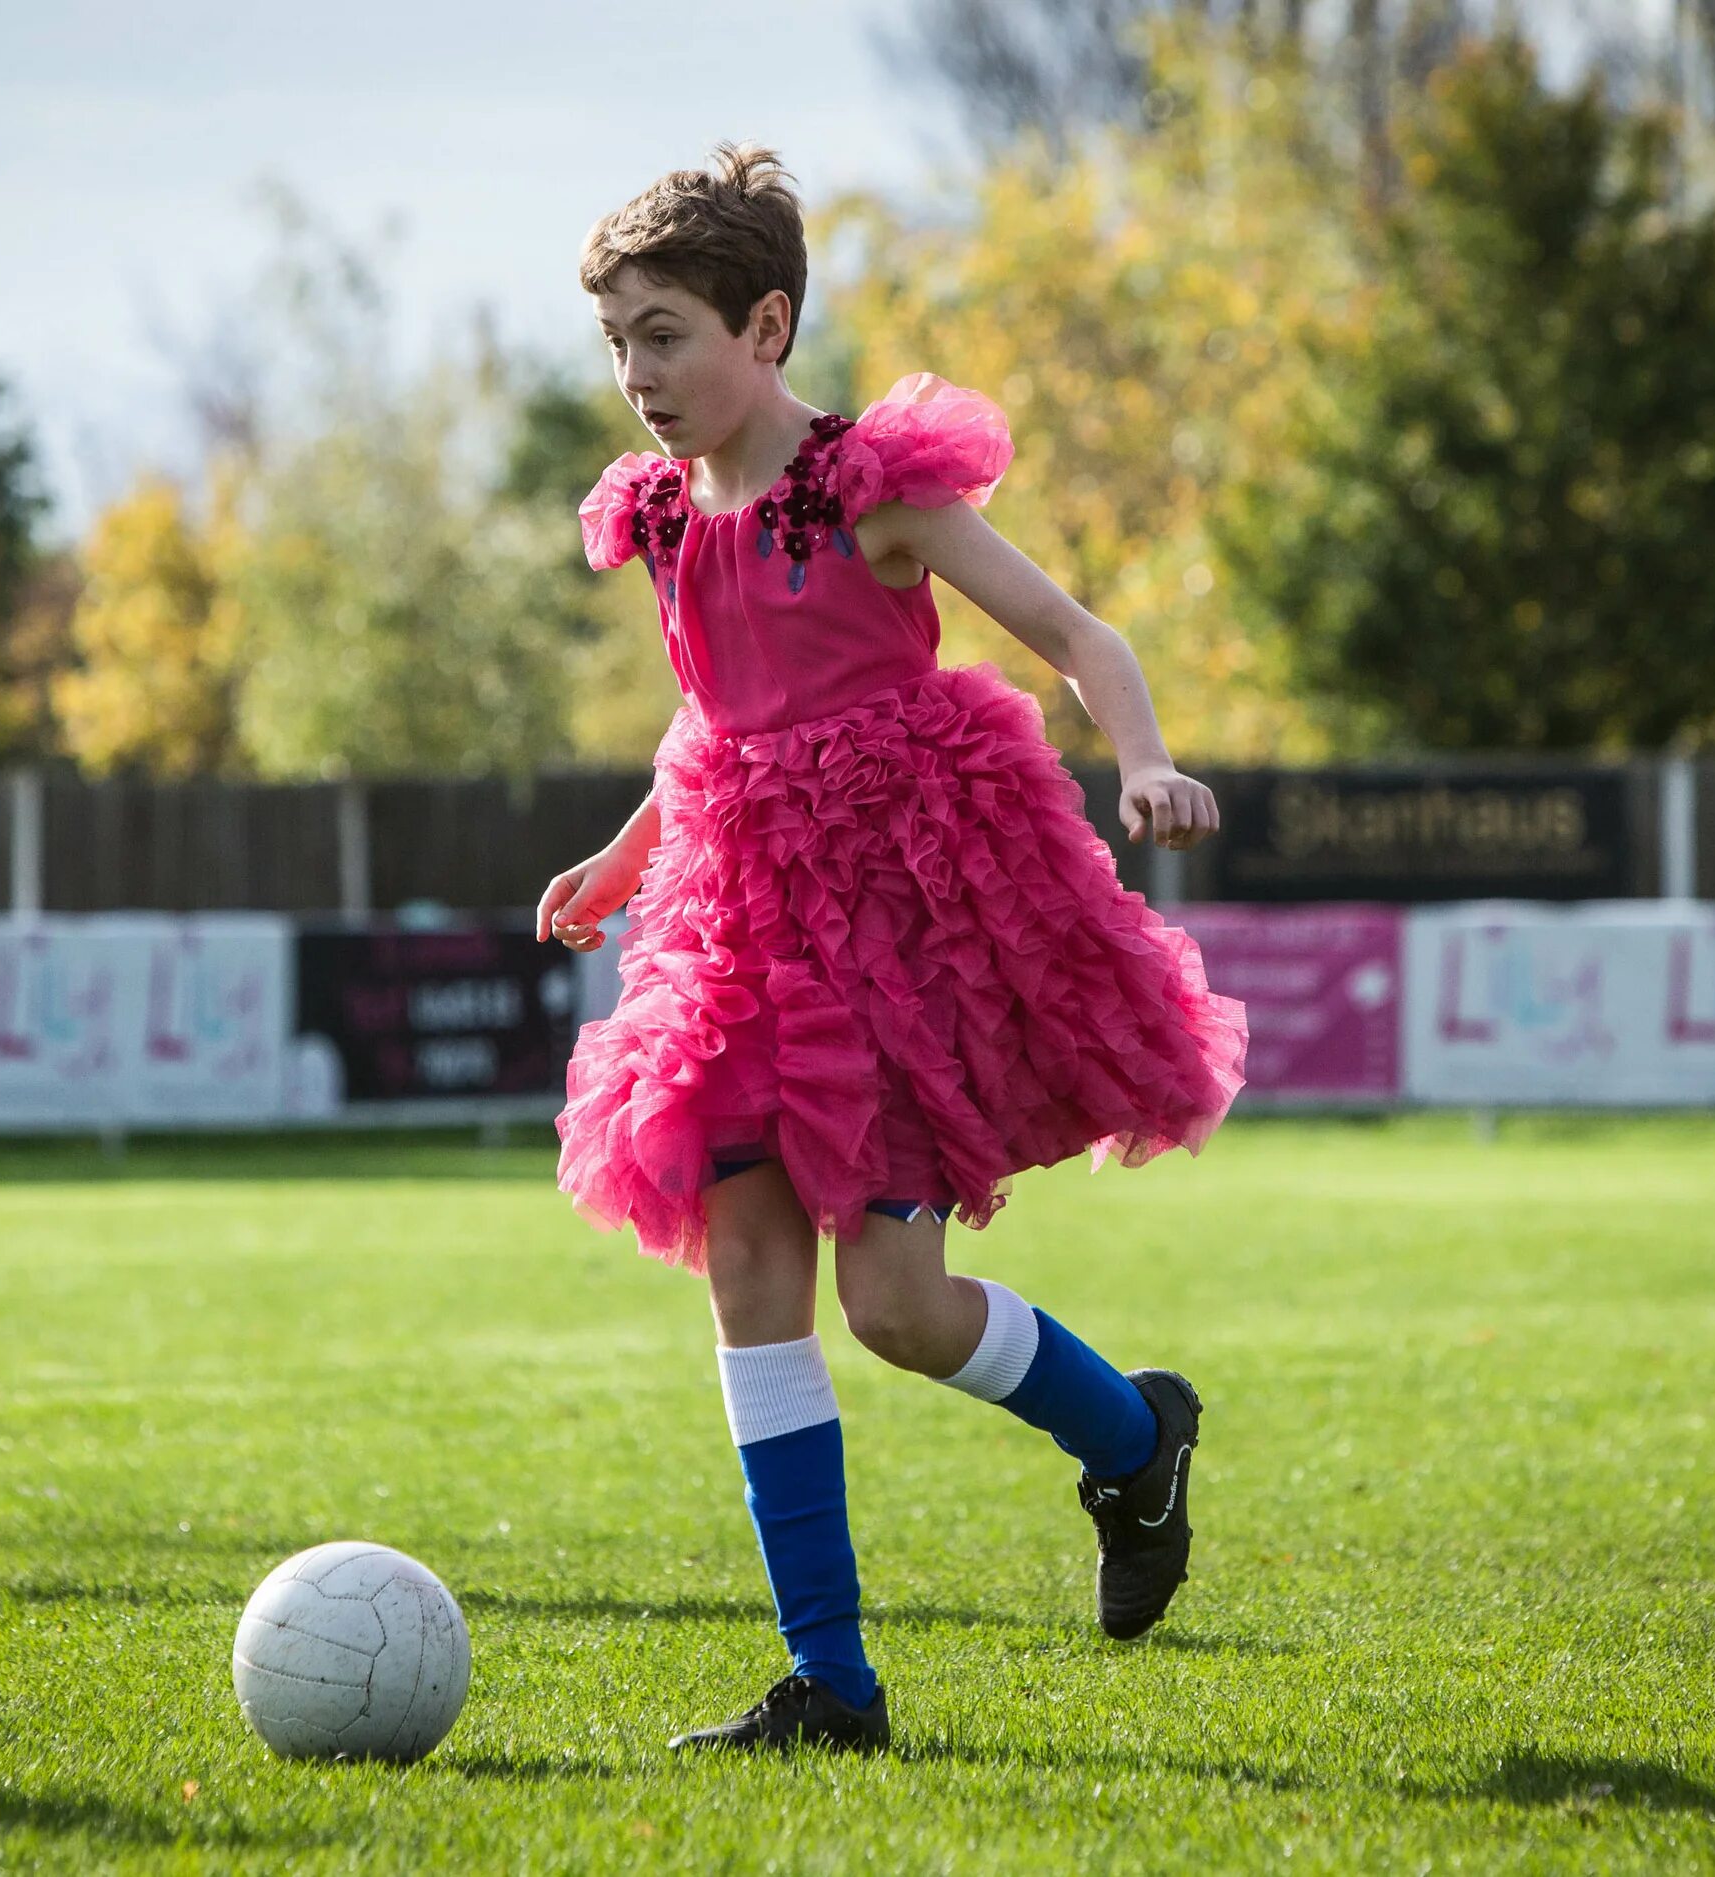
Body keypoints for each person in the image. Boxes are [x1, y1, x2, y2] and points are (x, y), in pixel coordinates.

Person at [540, 145, 1250, 1753]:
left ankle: (1135, 1443)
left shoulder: (872, 486)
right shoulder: (661, 518)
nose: (637, 377)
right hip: (732, 923)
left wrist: (1139, 756)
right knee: (744, 1269)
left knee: (901, 1310)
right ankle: (831, 1686)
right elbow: (708, 713)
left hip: (892, 924)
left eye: (666, 336)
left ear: (767, 327)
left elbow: (1074, 634)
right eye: (617, 344)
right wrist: (626, 853)